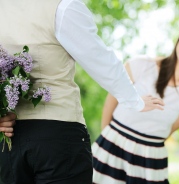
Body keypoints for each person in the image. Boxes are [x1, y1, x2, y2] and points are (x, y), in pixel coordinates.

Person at [0, 0, 164, 183]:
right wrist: (134, 100)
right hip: (57, 135)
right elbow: (99, 58)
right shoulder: (62, 6)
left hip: (8, 141)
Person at [92, 23, 179, 184]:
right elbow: (110, 103)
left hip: (150, 161)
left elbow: (168, 130)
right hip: (111, 147)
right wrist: (108, 140)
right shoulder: (140, 64)